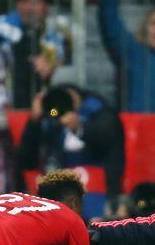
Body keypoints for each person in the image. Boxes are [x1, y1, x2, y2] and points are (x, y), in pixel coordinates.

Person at [18, 84, 124, 215]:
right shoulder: (50, 117)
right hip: (58, 199)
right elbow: (26, 160)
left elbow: (109, 143)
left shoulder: (99, 111)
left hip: (96, 198)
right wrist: (33, 122)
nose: (65, 103)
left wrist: (80, 127)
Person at [0, 0, 68, 109]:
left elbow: (56, 58)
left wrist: (50, 63)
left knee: (56, 112)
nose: (28, 8)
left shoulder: (55, 30)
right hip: (3, 104)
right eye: (24, 2)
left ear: (47, 7)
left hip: (43, 105)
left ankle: (51, 116)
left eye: (35, 3)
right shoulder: (0, 26)